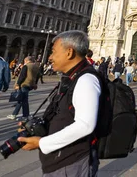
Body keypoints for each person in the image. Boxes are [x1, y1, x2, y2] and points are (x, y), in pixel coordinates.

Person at [18, 30, 102, 176]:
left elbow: (85, 125)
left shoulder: (86, 79)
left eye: (54, 52)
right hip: (61, 161)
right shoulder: (71, 78)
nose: (50, 57)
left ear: (69, 52)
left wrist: (41, 143)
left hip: (72, 161)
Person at [8, 56, 40, 120]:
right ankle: (14, 114)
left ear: (26, 60)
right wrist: (35, 84)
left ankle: (25, 115)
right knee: (21, 99)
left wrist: (18, 84)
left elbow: (22, 76)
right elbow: (38, 76)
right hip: (31, 84)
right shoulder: (36, 67)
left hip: (24, 84)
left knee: (24, 100)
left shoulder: (26, 66)